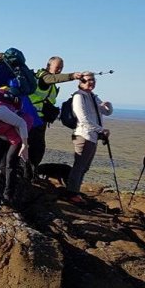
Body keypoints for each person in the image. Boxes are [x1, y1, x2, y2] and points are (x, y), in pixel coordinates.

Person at [27, 57, 83, 173]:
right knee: (37, 149)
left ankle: (28, 172)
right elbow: (53, 78)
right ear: (49, 66)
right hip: (35, 118)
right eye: (57, 67)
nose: (59, 70)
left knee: (33, 147)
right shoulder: (44, 77)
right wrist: (72, 76)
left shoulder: (46, 79)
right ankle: (28, 173)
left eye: (61, 68)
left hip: (37, 118)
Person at [64, 73, 113, 204]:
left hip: (92, 136)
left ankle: (75, 191)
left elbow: (106, 112)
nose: (91, 82)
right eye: (88, 80)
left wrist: (109, 105)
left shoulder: (92, 96)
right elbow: (83, 119)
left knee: (84, 166)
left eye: (93, 80)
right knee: (79, 165)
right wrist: (101, 130)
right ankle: (71, 193)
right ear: (81, 81)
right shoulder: (79, 96)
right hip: (83, 135)